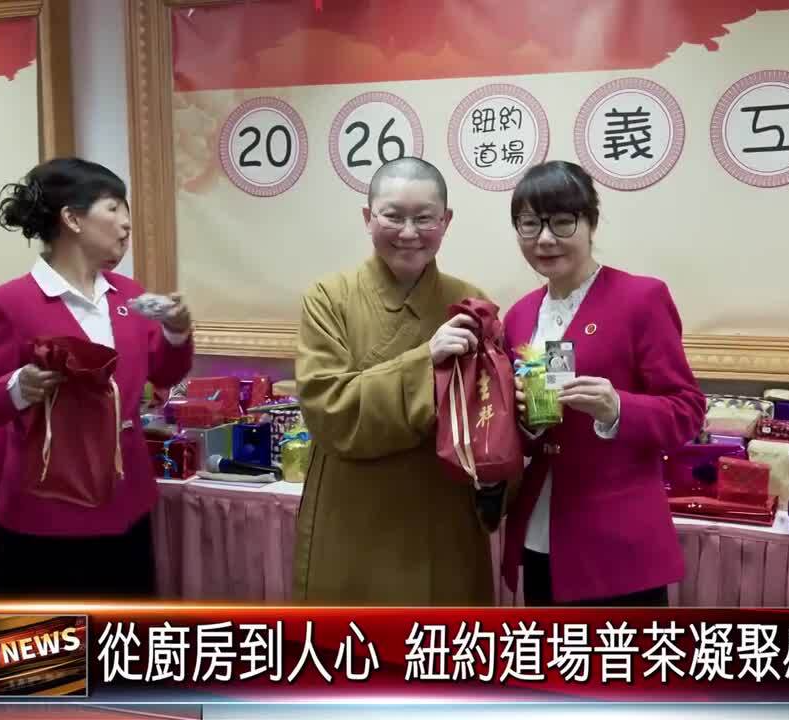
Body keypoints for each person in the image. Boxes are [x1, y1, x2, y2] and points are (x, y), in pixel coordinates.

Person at [0, 158, 194, 599]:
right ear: (72, 218)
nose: (126, 223)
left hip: (124, 493)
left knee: (123, 628)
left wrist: (177, 332)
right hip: (47, 501)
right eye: (113, 208)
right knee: (46, 632)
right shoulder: (10, 303)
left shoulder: (130, 295)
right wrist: (18, 387)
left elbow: (165, 372)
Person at [294, 157, 502, 605]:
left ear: (446, 221)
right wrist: (426, 359)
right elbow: (329, 410)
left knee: (446, 639)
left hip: (444, 511)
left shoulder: (471, 302)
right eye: (393, 216)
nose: (409, 232)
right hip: (356, 511)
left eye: (424, 218)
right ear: (368, 218)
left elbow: (489, 415)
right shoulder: (328, 298)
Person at [502, 160, 706, 606]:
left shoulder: (640, 299)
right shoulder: (518, 316)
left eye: (562, 221)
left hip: (617, 541)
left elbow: (688, 410)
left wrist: (617, 409)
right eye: (530, 224)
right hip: (542, 528)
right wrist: (526, 421)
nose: (545, 238)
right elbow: (522, 429)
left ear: (591, 223)